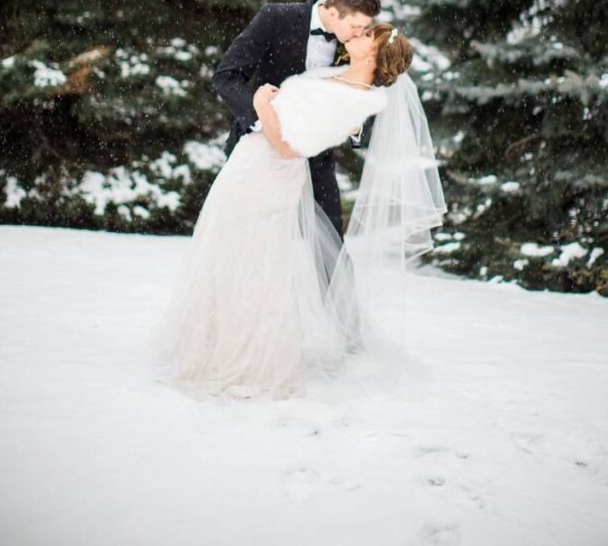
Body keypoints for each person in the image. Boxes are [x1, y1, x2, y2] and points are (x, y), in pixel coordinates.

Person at [149, 22, 445, 401]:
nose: (355, 33)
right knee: (227, 258)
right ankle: (214, 350)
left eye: (365, 34)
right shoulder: (337, 74)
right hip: (250, 164)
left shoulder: (361, 100)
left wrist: (258, 104)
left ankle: (253, 363)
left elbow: (292, 147)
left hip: (270, 175)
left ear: (373, 53)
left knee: (257, 267)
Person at [210, 0, 382, 240]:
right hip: (262, 156)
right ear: (334, 13)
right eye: (355, 26)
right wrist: (264, 120)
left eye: (365, 27)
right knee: (252, 247)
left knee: (329, 257)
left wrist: (356, 128)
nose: (361, 34)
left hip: (318, 166)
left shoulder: (355, 45)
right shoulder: (276, 18)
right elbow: (226, 75)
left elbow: (364, 92)